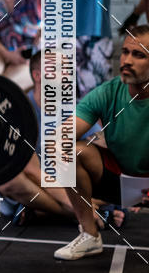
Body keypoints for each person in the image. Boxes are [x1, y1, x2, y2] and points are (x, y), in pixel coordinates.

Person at [54, 25, 149, 260]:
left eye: (138, 55)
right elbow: (60, 138)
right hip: (120, 182)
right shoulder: (108, 92)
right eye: (125, 52)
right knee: (66, 150)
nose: (126, 60)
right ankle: (89, 235)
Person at [0, 50, 76, 224]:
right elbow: (31, 171)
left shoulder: (73, 108)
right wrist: (84, 207)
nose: (67, 74)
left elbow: (102, 146)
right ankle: (78, 213)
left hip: (57, 186)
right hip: (25, 190)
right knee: (9, 181)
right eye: (59, 68)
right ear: (38, 75)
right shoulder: (18, 111)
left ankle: (44, 212)